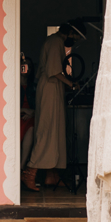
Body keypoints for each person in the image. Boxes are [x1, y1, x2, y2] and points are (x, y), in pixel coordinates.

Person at [22, 20, 84, 191]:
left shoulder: (55, 41)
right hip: (49, 88)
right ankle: (30, 171)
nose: (76, 40)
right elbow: (53, 71)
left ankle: (52, 175)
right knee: (47, 129)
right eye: (76, 37)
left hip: (53, 88)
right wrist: (71, 84)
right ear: (70, 32)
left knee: (55, 131)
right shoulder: (55, 41)